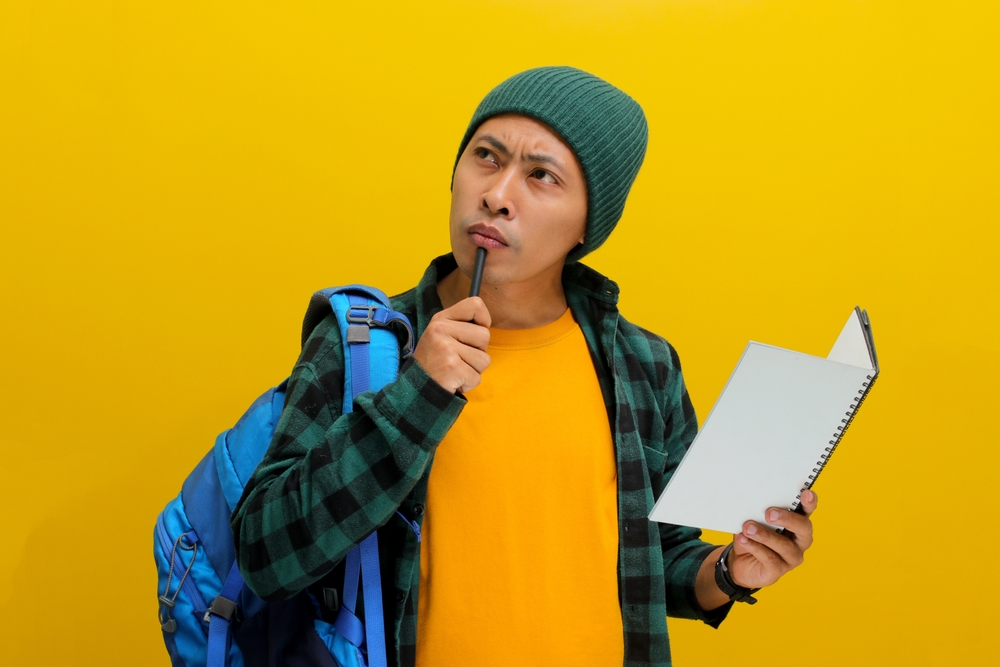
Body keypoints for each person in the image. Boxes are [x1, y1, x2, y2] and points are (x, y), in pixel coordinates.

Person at [230, 66, 817, 667]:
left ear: (590, 223)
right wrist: (417, 395)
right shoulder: (367, 344)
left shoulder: (643, 365)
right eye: (486, 157)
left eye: (541, 175)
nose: (497, 194)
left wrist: (729, 570)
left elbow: (655, 559)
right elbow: (267, 555)